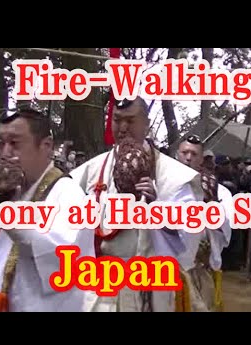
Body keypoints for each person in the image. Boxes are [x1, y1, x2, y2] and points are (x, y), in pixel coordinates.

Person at [0, 109, 97, 312]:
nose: (5, 153)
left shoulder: (68, 194)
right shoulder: (4, 191)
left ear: (46, 146)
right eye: (0, 144)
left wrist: (3, 214)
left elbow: (60, 255)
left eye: (15, 143)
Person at [70, 97, 205, 312]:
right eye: (117, 120)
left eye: (131, 121)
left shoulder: (174, 176)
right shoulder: (90, 170)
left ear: (147, 124)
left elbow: (190, 231)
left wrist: (156, 210)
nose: (123, 128)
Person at [176, 135, 233, 311]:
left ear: (201, 159)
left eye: (194, 154)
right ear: (177, 155)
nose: (188, 157)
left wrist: (210, 203)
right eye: (184, 152)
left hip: (201, 268)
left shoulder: (218, 190)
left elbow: (227, 226)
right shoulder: (163, 186)